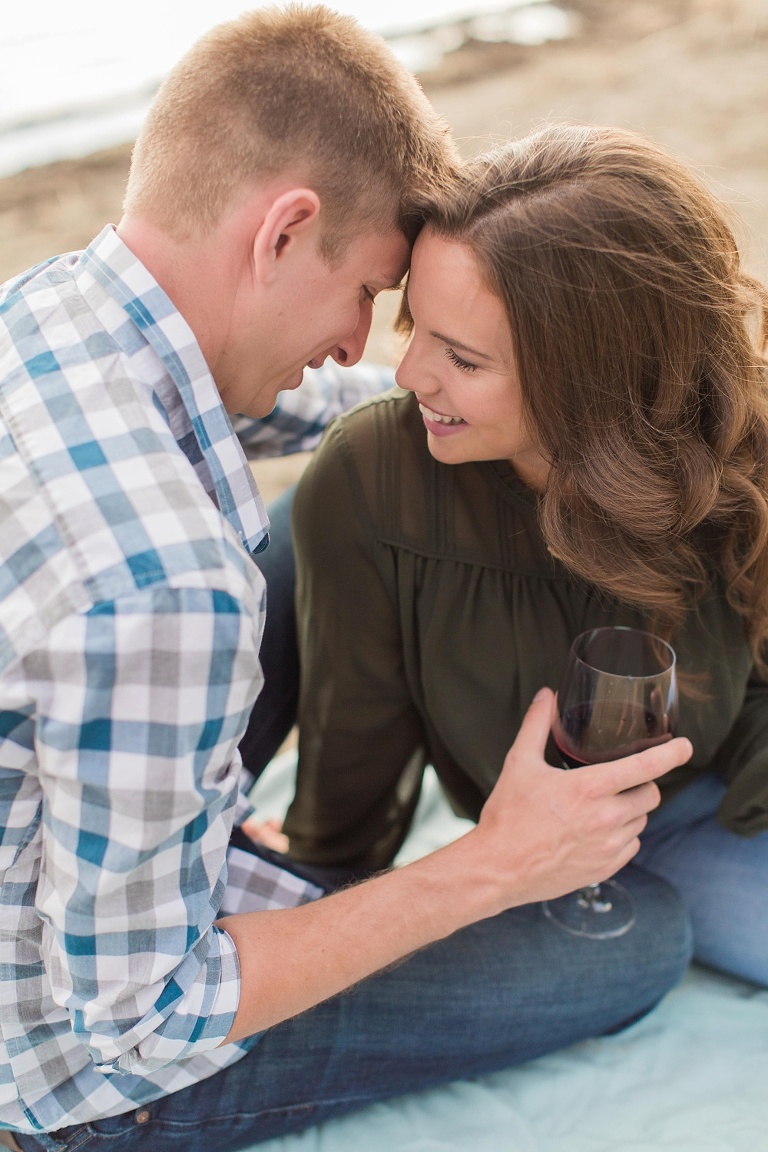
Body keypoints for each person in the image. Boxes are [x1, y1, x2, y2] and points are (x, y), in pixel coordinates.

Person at [0, 12, 694, 1150]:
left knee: (293, 512)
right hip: (78, 1068)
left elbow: (299, 403)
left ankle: (229, 852)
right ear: (284, 231)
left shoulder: (49, 308)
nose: (355, 342)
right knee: (641, 935)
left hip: (51, 851)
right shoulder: (166, 583)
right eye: (370, 291)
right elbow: (139, 1027)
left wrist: (495, 399)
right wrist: (494, 864)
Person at [283, 122, 768, 991]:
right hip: (528, 847)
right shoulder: (372, 480)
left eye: (463, 359)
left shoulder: (738, 448)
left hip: (701, 806)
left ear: (592, 380)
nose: (411, 375)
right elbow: (351, 739)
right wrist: (318, 879)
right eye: (413, 326)